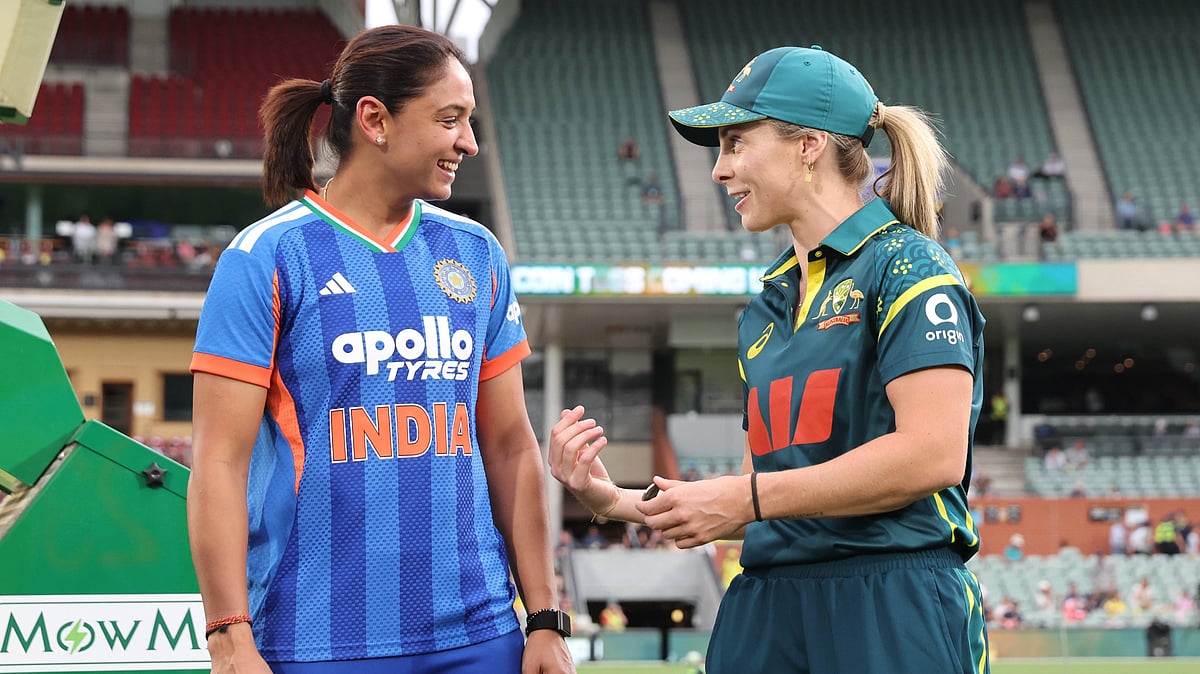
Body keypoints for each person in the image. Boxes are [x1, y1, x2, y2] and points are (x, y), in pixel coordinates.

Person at [549, 45, 988, 673]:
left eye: (734, 144)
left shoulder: (909, 268)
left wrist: (749, 499)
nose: (718, 170)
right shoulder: (766, 304)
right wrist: (613, 500)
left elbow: (933, 454)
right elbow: (779, 494)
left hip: (890, 600)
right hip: (767, 601)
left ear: (808, 145)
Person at [186, 25, 572, 674]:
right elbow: (220, 462)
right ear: (375, 119)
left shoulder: (476, 253)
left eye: (469, 121)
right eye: (450, 119)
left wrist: (543, 617)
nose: (469, 142)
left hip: (479, 637)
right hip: (313, 640)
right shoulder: (265, 258)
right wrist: (229, 638)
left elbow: (509, 443)